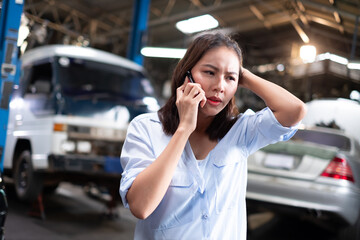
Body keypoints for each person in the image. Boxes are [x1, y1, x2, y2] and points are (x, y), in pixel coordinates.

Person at [120, 32, 306, 240]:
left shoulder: (240, 131)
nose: (220, 86)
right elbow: (141, 207)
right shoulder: (146, 128)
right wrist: (184, 130)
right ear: (186, 75)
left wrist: (241, 74)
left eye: (230, 79)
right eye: (210, 72)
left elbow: (295, 110)